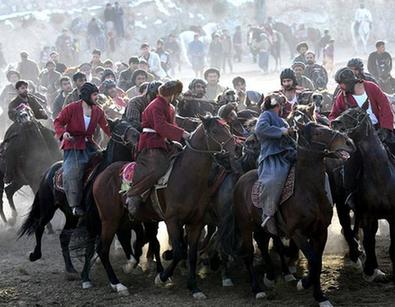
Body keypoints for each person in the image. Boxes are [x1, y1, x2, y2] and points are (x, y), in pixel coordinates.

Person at [126, 80, 190, 214]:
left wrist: (182, 134)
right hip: (151, 142)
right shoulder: (155, 105)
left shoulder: (170, 107)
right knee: (157, 168)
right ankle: (134, 193)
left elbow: (171, 125)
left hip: (164, 141)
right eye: (176, 94)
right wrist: (181, 133)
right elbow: (160, 126)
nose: (177, 96)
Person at [54, 82, 111, 216]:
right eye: (94, 94)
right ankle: (75, 205)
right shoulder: (71, 108)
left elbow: (107, 127)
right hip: (73, 146)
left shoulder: (98, 111)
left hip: (90, 145)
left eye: (97, 94)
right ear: (86, 95)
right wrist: (63, 133)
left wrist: (118, 133)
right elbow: (58, 121)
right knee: (73, 172)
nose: (97, 97)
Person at [255, 95, 296, 234]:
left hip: (290, 154)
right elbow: (260, 129)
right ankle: (268, 214)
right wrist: (283, 131)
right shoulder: (266, 115)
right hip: (273, 156)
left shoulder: (283, 120)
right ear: (276, 106)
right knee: (274, 180)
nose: (281, 106)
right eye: (280, 104)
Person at [4, 80, 49, 183]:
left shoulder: (32, 99)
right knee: (10, 148)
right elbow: (11, 114)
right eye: (22, 88)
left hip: (34, 125)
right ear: (18, 90)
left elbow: (39, 112)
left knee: (52, 136)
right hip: (19, 127)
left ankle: (55, 161)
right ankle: (9, 173)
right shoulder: (14, 102)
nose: (25, 90)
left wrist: (43, 113)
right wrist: (19, 114)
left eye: (26, 87)